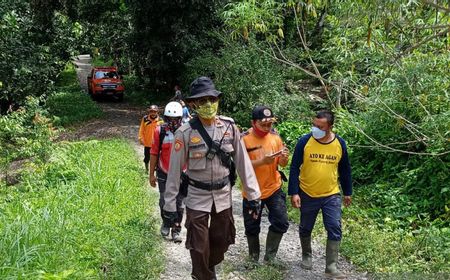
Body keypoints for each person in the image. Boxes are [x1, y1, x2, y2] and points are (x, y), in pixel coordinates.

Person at [163, 76, 261, 280]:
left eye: (212, 99)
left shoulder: (229, 127)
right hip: (197, 196)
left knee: (222, 239)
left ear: (217, 100)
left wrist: (253, 196)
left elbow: (243, 162)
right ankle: (205, 275)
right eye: (202, 100)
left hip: (223, 195)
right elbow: (174, 172)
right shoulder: (185, 132)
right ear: (193, 104)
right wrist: (170, 207)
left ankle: (207, 267)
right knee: (198, 245)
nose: (208, 104)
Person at [288, 110, 352, 278]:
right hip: (307, 192)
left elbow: (345, 170)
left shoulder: (340, 144)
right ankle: (306, 255)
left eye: (320, 126)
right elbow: (294, 167)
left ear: (330, 127)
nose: (315, 129)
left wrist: (348, 192)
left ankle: (331, 266)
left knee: (334, 226)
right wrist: (294, 192)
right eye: (314, 125)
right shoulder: (304, 141)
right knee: (306, 226)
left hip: (331, 194)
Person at [241, 105, 290, 263]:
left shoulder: (275, 137)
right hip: (252, 190)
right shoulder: (244, 139)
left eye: (270, 124)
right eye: (264, 124)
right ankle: (253, 258)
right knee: (251, 226)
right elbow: (240, 166)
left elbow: (282, 164)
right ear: (253, 122)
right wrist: (262, 161)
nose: (268, 127)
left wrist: (284, 158)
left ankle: (270, 257)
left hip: (273, 187)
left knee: (281, 222)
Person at [149, 101, 185, 243]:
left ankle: (176, 229)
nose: (173, 122)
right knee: (164, 199)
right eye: (170, 119)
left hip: (182, 172)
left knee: (179, 202)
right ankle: (166, 222)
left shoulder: (186, 131)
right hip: (164, 171)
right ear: (166, 118)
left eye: (176, 119)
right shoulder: (160, 131)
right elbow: (153, 153)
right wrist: (151, 174)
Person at [138, 105, 161, 172]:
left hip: (157, 144)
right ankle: (146, 169)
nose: (153, 113)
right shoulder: (145, 119)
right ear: (149, 111)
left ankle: (155, 170)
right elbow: (141, 129)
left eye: (154, 111)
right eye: (151, 111)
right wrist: (140, 138)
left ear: (157, 112)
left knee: (157, 158)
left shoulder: (160, 120)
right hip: (147, 143)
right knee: (147, 157)